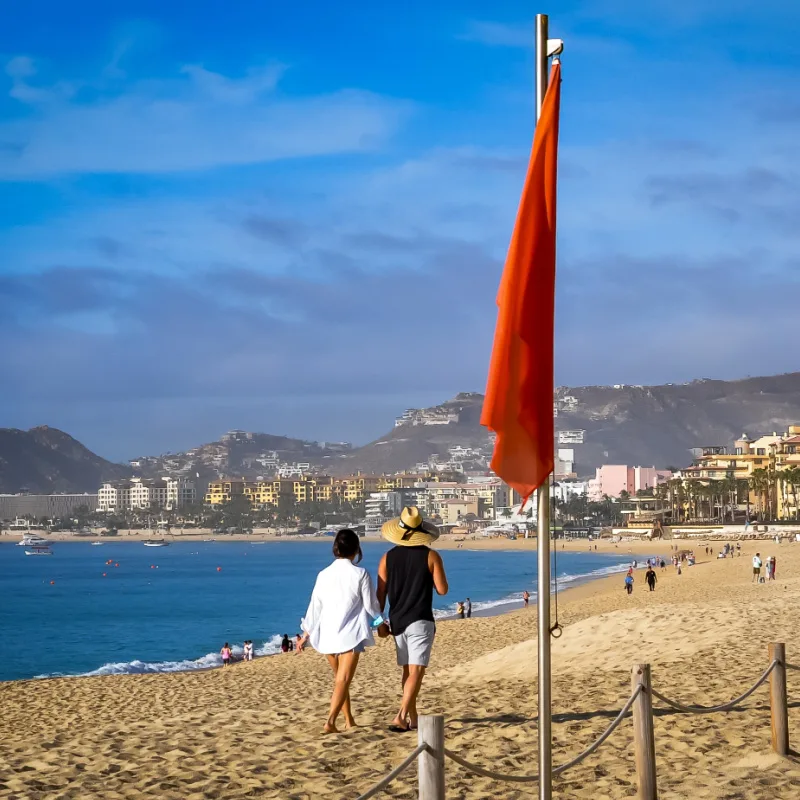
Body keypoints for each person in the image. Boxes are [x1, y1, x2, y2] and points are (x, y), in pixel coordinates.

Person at [301, 528, 385, 734]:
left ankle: (349, 720)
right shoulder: (360, 573)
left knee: (340, 679)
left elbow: (315, 606)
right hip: (350, 634)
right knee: (343, 680)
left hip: (327, 634)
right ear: (356, 549)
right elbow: (372, 607)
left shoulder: (323, 574)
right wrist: (382, 623)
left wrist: (306, 633)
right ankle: (330, 721)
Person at [377, 507, 448, 733]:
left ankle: (413, 718)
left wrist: (378, 622)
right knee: (416, 671)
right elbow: (443, 589)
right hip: (420, 619)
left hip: (396, 621)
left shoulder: (387, 558)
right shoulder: (431, 555)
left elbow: (379, 595)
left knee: (408, 672)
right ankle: (400, 716)